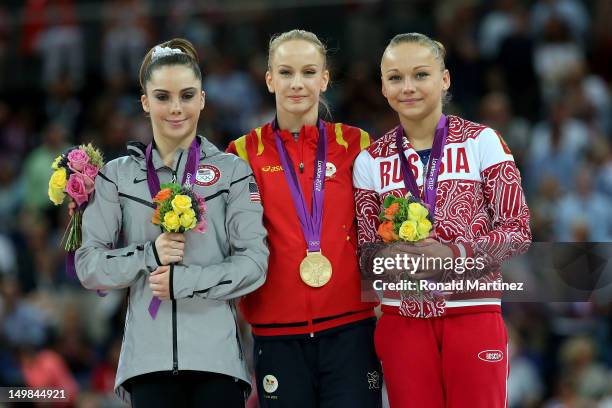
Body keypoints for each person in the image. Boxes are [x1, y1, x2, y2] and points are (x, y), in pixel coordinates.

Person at [76, 38, 269, 408]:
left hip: (219, 362)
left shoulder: (232, 171)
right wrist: (149, 253)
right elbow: (88, 267)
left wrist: (187, 281)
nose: (176, 108)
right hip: (146, 365)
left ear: (202, 99)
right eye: (163, 97)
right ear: (145, 102)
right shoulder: (116, 176)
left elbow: (255, 263)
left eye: (186, 95)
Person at [353, 33, 531, 407]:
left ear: (444, 79)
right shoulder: (371, 160)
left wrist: (453, 253)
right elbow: (366, 256)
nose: (408, 87)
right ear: (383, 87)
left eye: (420, 75)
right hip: (403, 317)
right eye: (395, 77)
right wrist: (395, 256)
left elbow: (517, 230)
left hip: (473, 311)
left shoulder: (482, 142)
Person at [227, 29, 381, 408]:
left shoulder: (358, 145)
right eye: (286, 72)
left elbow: (385, 227)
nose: (297, 83)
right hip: (276, 335)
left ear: (324, 79)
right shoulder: (242, 153)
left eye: (309, 72)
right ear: (269, 79)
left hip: (351, 331)